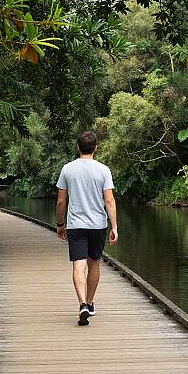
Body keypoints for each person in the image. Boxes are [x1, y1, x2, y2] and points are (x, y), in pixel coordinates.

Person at [55, 131, 118, 326]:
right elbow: (109, 200)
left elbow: (61, 201)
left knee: (78, 264)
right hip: (98, 225)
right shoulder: (103, 170)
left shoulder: (67, 169)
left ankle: (82, 302)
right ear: (95, 148)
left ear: (78, 147)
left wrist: (60, 224)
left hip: (76, 224)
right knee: (94, 264)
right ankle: (90, 302)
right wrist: (114, 226)